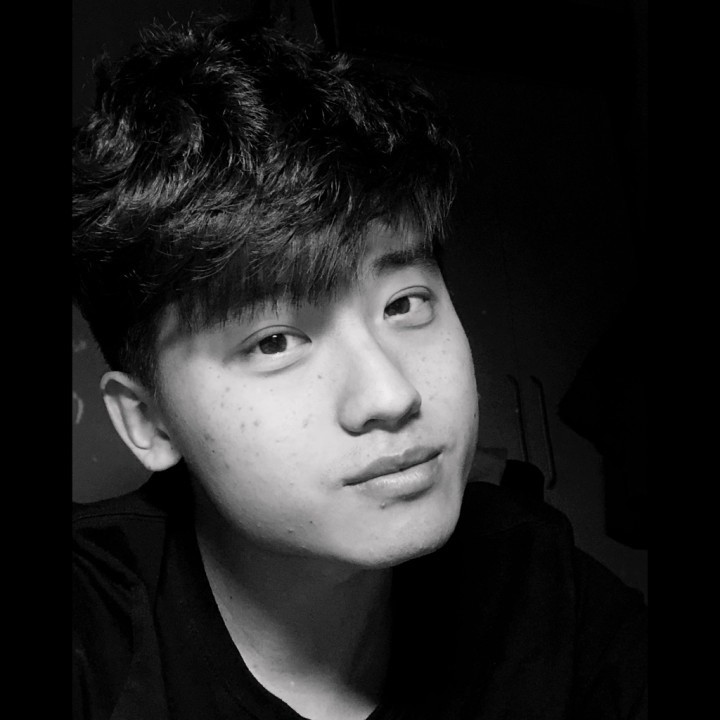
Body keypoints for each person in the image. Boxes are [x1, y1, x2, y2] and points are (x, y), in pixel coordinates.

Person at [72, 14, 647, 720]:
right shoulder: (95, 632)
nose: (390, 393)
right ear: (148, 421)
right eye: (274, 342)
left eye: (404, 304)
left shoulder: (539, 583)